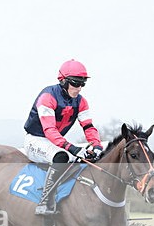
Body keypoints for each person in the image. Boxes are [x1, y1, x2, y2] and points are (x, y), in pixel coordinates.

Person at [23, 59, 104, 216]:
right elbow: (49, 130)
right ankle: (44, 202)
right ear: (63, 81)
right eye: (75, 83)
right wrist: (72, 148)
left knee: (85, 158)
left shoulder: (81, 102)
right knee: (61, 157)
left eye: (83, 83)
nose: (79, 88)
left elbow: (88, 126)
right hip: (36, 139)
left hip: (55, 141)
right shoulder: (47, 96)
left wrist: (97, 145)